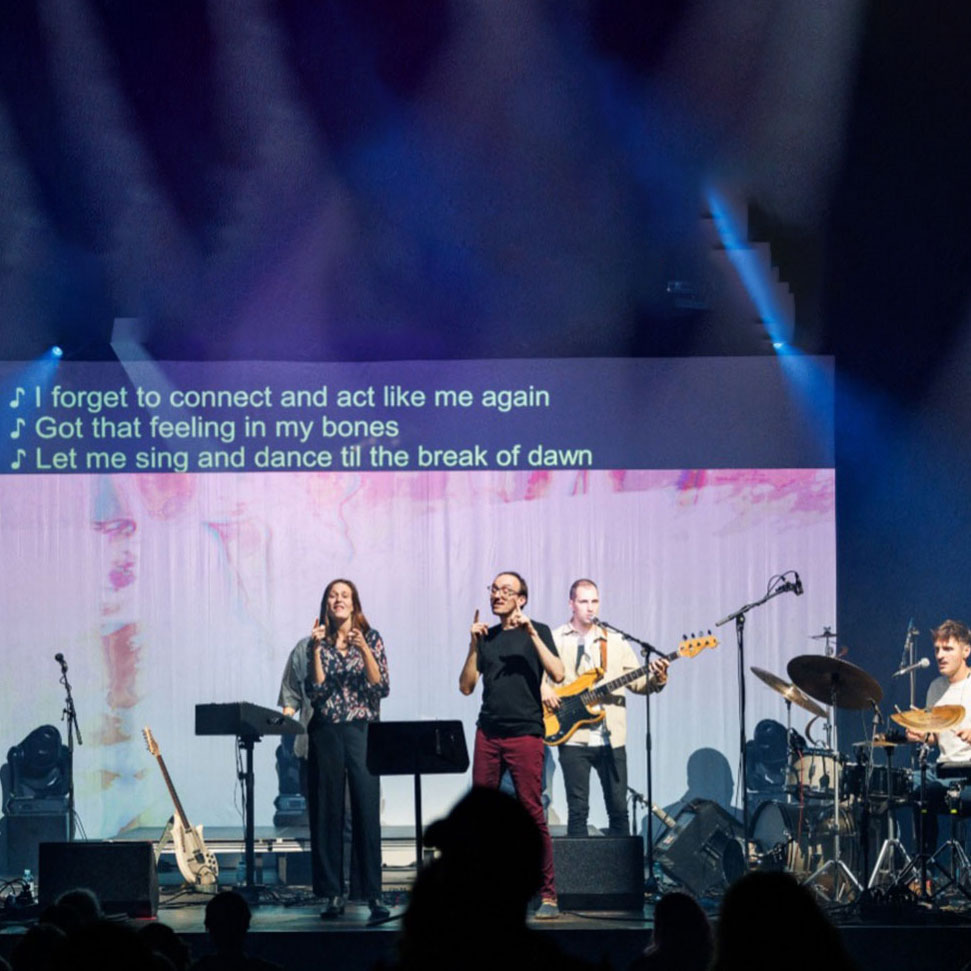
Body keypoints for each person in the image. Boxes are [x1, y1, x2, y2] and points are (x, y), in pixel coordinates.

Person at [460, 571, 564, 918]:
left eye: (506, 590)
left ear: (521, 598)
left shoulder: (539, 631)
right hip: (488, 732)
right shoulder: (486, 637)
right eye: (494, 589)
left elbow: (559, 673)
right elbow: (466, 686)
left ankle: (548, 895)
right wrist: (473, 646)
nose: (498, 595)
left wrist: (531, 631)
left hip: (525, 732)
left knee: (532, 812)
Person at [545, 579, 668, 837]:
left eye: (594, 601)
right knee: (577, 811)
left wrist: (658, 679)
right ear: (571, 604)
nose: (590, 608)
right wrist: (544, 690)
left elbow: (637, 682)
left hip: (611, 737)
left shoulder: (615, 640)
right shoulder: (555, 639)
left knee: (618, 809)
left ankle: (619, 875)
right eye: (583, 601)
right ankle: (580, 874)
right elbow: (538, 681)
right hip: (573, 736)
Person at [304, 579, 390, 920]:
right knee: (327, 811)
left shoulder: (371, 638)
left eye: (345, 595)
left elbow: (380, 686)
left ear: (355, 604)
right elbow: (317, 691)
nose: (338, 600)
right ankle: (332, 894)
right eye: (333, 595)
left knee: (366, 811)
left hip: (362, 729)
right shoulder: (317, 642)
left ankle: (373, 894)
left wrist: (363, 650)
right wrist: (314, 652)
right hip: (326, 731)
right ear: (326, 604)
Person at [905, 618, 971, 856]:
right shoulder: (935, 687)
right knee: (911, 784)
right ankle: (925, 869)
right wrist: (922, 735)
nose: (940, 655)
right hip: (943, 771)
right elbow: (934, 737)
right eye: (937, 650)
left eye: (948, 648)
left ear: (966, 650)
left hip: (969, 772)